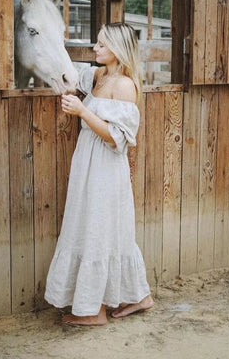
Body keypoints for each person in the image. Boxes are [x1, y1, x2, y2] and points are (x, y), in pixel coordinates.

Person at [45, 22, 154, 326]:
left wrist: (82, 111)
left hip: (106, 168)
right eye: (96, 43)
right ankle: (139, 296)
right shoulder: (100, 75)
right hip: (88, 164)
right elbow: (64, 71)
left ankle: (96, 311)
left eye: (102, 45)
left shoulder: (124, 85)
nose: (95, 48)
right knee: (103, 229)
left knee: (99, 230)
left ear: (118, 49)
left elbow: (116, 138)